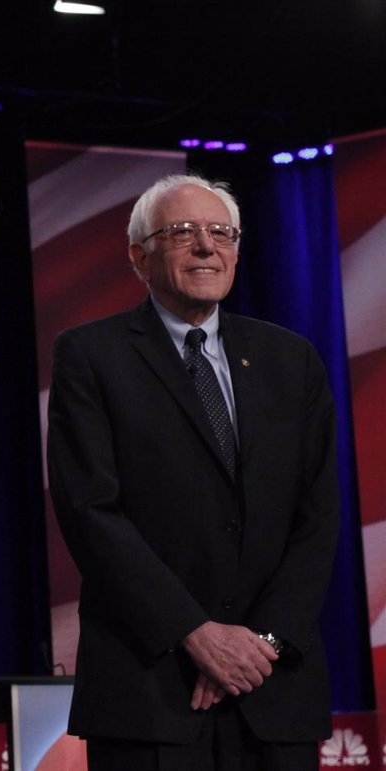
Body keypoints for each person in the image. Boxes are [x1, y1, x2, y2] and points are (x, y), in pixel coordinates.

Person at [47, 173, 339, 770]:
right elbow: (90, 512)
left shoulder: (292, 359)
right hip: (151, 686)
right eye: (182, 232)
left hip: (272, 684)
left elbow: (319, 516)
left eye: (220, 232)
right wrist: (196, 633)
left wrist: (263, 642)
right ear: (139, 255)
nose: (206, 246)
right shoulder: (91, 356)